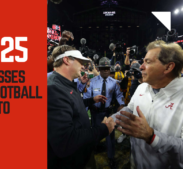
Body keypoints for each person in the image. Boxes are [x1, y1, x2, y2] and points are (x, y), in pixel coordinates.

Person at [112, 40, 183, 168]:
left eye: (148, 62)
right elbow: (130, 108)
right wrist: (112, 120)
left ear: (168, 67)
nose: (141, 66)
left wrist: (152, 136)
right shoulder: (142, 87)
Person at [48, 45, 116, 169]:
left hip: (78, 156)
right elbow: (65, 142)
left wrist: (91, 100)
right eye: (80, 61)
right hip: (70, 162)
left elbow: (71, 106)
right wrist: (104, 129)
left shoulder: (64, 84)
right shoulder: (53, 89)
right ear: (67, 60)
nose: (83, 66)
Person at [84, 57, 125, 169]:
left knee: (110, 136)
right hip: (95, 113)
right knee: (95, 133)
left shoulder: (115, 83)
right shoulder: (92, 82)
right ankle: (95, 149)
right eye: (103, 68)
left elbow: (119, 95)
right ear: (99, 69)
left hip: (108, 112)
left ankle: (111, 158)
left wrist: (121, 104)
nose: (106, 70)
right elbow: (87, 97)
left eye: (107, 68)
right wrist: (84, 112)